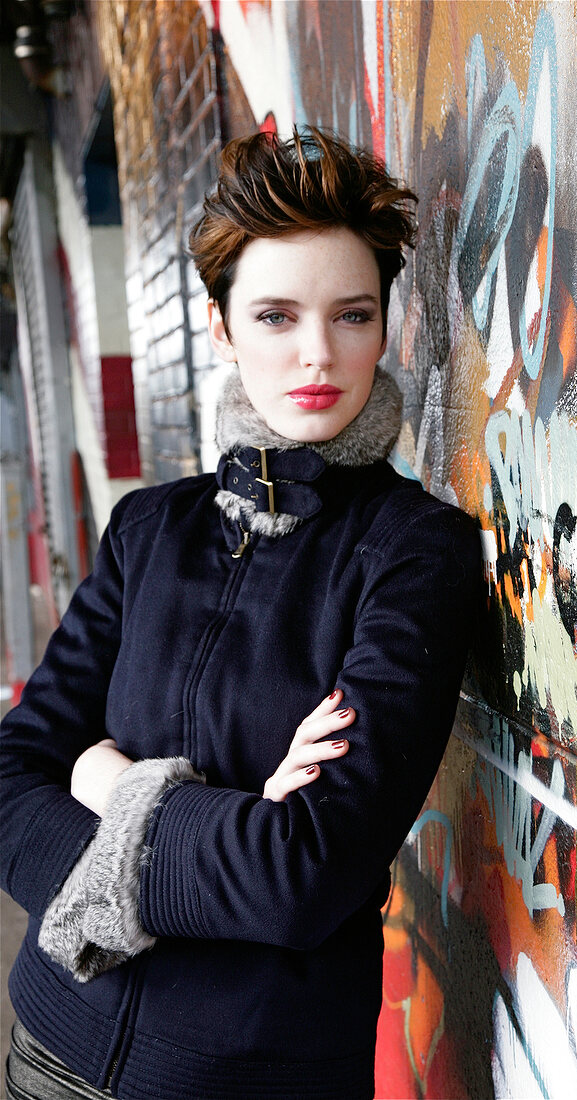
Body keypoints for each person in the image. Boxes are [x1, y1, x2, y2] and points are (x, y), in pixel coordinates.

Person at [0, 127, 481, 1100]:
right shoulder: (148, 530)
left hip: (252, 1073)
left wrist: (112, 781)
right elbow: (12, 782)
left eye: (352, 314)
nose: (318, 351)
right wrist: (233, 816)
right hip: (50, 1045)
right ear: (220, 326)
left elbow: (302, 875)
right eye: (275, 315)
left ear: (385, 322)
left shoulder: (415, 551)